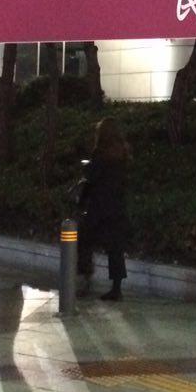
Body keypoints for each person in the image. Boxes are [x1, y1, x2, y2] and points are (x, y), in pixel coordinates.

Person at [77, 119, 130, 302]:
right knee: (115, 249)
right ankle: (116, 288)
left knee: (84, 240)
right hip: (116, 206)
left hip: (99, 207)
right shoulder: (122, 152)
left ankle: (85, 278)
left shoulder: (100, 152)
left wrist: (86, 168)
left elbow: (92, 176)